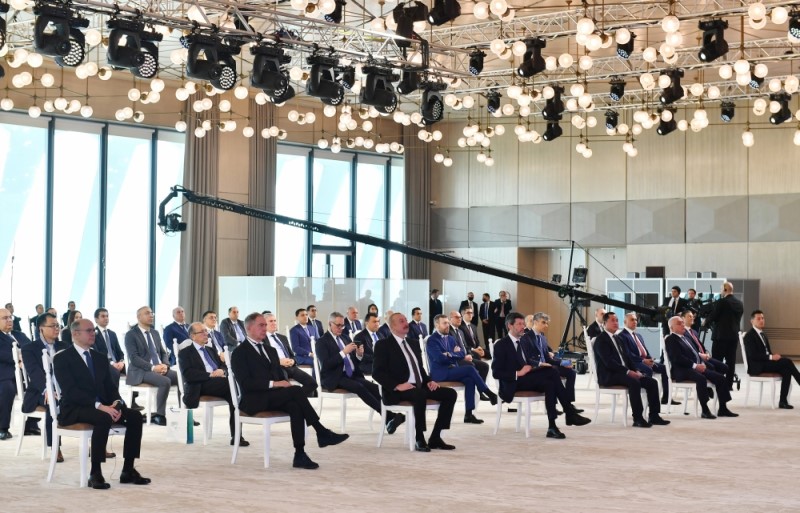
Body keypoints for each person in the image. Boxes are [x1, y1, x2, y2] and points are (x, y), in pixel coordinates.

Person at [230, 312, 348, 469]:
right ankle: (321, 431)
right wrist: (274, 384)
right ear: (249, 328)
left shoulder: (270, 350)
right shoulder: (239, 352)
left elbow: (280, 375)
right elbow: (246, 383)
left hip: (273, 396)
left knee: (295, 406)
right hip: (253, 400)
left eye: (265, 325)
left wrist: (283, 383)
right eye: (261, 325)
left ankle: (300, 454)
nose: (265, 328)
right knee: (296, 391)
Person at [54, 319, 150, 489]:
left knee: (135, 416)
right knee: (103, 417)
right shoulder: (62, 358)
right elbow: (70, 391)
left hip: (104, 406)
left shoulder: (99, 357)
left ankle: (128, 470)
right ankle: (95, 472)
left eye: (94, 330)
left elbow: (110, 387)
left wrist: (117, 405)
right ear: (75, 333)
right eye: (89, 330)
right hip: (75, 408)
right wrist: (100, 406)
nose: (93, 334)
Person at [492, 312, 591, 438]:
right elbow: (496, 372)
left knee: (550, 382)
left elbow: (529, 361)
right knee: (552, 372)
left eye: (523, 324)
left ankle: (552, 427)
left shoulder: (522, 341)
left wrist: (540, 365)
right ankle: (569, 412)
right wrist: (518, 373)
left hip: (527, 378)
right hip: (513, 383)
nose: (523, 326)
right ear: (509, 326)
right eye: (519, 324)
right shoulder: (502, 344)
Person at [373, 313, 457, 452]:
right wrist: (397, 386)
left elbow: (419, 368)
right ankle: (419, 437)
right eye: (401, 321)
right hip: (398, 390)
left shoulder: (413, 343)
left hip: (419, 386)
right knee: (419, 394)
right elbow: (377, 373)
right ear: (392, 326)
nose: (406, 323)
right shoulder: (383, 345)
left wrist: (429, 381)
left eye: (406, 320)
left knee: (450, 394)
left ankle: (435, 437)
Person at [316, 312, 404, 434]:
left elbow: (354, 361)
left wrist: (359, 355)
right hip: (334, 377)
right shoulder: (322, 341)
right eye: (338, 325)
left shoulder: (346, 338)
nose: (341, 328)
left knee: (374, 387)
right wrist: (343, 352)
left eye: (342, 325)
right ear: (330, 324)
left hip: (351, 374)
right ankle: (388, 416)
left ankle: (389, 416)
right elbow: (326, 365)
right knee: (359, 387)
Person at [592, 312, 670, 428]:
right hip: (609, 375)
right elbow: (609, 363)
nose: (616, 323)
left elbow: (627, 358)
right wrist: (628, 372)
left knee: (652, 382)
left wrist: (635, 370)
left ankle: (654, 416)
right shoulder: (601, 340)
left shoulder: (617, 338)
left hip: (622, 372)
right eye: (612, 320)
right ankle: (638, 418)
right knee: (634, 382)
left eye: (617, 320)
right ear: (604, 323)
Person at [178, 322, 248, 446]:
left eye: (206, 331)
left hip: (219, 383)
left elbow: (223, 366)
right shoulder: (185, 353)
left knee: (234, 397)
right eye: (202, 332)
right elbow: (188, 374)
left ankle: (236, 436)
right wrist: (210, 375)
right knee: (232, 386)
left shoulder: (210, 350)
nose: (206, 334)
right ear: (193, 336)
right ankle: (238, 431)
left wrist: (222, 371)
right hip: (199, 385)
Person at [427, 314, 497, 424]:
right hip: (440, 373)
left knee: (470, 380)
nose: (447, 325)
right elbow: (440, 358)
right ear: (437, 325)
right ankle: (488, 392)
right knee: (470, 369)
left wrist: (449, 354)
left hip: (452, 369)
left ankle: (468, 415)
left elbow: (462, 353)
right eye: (444, 323)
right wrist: (452, 354)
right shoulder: (432, 340)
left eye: (448, 323)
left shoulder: (450, 338)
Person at [665, 316, 738, 419]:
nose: (682, 325)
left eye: (682, 322)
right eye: (679, 323)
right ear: (671, 328)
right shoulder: (671, 339)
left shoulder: (685, 338)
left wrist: (702, 361)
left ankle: (723, 408)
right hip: (681, 370)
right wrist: (695, 366)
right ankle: (705, 410)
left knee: (720, 378)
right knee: (701, 378)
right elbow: (677, 358)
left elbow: (694, 352)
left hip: (695, 367)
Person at [22, 313, 68, 460]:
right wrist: (47, 389)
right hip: (39, 391)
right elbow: (34, 373)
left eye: (58, 325)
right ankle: (55, 446)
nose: (57, 328)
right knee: (53, 402)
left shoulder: (64, 346)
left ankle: (92, 442)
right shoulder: (29, 348)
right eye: (52, 326)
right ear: (41, 329)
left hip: (63, 389)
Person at [124, 306, 178, 426]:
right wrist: (153, 368)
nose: (151, 315)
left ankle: (183, 414)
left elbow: (163, 352)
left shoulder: (155, 333)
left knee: (181, 378)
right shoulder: (131, 335)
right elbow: (134, 358)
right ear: (139, 317)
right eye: (147, 313)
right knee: (165, 381)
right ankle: (160, 415)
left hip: (160, 368)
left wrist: (165, 365)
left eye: (151, 313)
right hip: (141, 371)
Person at [743, 310, 800, 409]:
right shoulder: (749, 336)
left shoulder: (763, 334)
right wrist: (771, 357)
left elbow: (767, 352)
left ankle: (782, 401)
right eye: (758, 319)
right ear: (752, 321)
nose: (761, 320)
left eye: (763, 318)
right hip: (757, 366)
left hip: (766, 363)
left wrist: (773, 356)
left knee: (786, 371)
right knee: (788, 362)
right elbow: (753, 355)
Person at [523, 312, 582, 407]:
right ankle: (558, 405)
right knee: (553, 372)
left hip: (547, 366)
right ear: (535, 322)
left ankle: (569, 402)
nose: (546, 325)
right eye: (543, 322)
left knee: (571, 372)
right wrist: (540, 364)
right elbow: (526, 359)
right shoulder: (525, 337)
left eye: (547, 323)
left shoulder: (543, 337)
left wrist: (565, 362)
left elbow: (548, 358)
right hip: (535, 368)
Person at [616, 312, 675, 405]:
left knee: (665, 368)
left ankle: (666, 397)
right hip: (634, 363)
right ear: (625, 322)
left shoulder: (638, 335)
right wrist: (643, 361)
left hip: (644, 361)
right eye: (632, 320)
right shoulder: (621, 336)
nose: (635, 322)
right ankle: (648, 398)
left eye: (636, 320)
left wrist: (650, 359)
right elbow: (627, 354)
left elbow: (645, 350)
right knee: (648, 369)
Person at [263, 313, 317, 396]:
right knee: (286, 386)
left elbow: (292, 355)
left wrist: (293, 360)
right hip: (276, 368)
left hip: (290, 366)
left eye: (275, 321)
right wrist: (279, 362)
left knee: (312, 383)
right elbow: (262, 358)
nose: (274, 323)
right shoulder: (262, 339)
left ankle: (294, 398)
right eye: (271, 321)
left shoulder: (282, 337)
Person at [0, 307, 32, 440]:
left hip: (26, 373)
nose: (9, 320)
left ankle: (30, 425)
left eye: (10, 317)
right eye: (5, 318)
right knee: (6, 388)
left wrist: (24, 359)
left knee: (41, 386)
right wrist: (18, 359)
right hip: (5, 374)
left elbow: (32, 349)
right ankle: (2, 428)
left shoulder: (19, 335)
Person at [707, 281, 744, 390]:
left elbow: (714, 316)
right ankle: (729, 385)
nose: (720, 291)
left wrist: (706, 320)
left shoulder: (722, 302)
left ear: (725, 289)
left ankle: (718, 383)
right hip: (733, 336)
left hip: (720, 336)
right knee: (731, 361)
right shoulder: (739, 303)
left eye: (721, 289)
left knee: (717, 360)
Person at [680, 310, 727, 375]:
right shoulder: (683, 333)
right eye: (689, 316)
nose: (692, 318)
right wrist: (700, 355)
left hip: (704, 356)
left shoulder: (694, 332)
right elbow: (689, 350)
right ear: (683, 318)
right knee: (713, 367)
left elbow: (699, 345)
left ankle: (718, 379)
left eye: (693, 316)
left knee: (724, 367)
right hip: (697, 358)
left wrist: (706, 353)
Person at [448, 310, 490, 382]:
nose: (459, 319)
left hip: (467, 356)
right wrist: (464, 357)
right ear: (450, 319)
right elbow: (451, 350)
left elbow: (465, 347)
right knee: (472, 365)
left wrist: (470, 354)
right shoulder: (448, 332)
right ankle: (476, 386)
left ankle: (481, 387)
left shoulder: (460, 331)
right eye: (457, 317)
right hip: (458, 359)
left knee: (485, 366)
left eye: (460, 317)